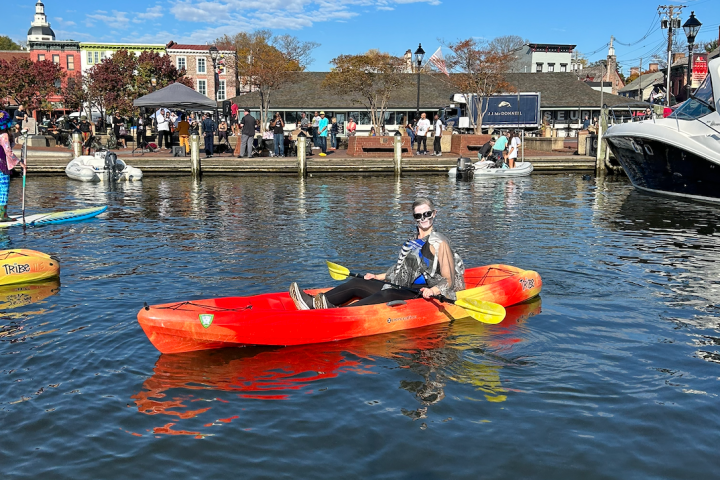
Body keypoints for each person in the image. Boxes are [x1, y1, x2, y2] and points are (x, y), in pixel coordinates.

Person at [289, 197, 465, 310]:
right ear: (414, 218)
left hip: (424, 292)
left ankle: (339, 314)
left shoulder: (439, 242)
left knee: (387, 294)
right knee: (358, 282)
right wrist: (378, 276)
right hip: (405, 286)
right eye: (418, 216)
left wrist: (432, 290)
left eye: (427, 214)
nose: (423, 219)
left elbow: (448, 281)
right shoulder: (413, 239)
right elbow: (402, 270)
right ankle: (318, 303)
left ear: (434, 214)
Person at [0, 111, 26, 222]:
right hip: (2, 165)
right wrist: (21, 163)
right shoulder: (4, 135)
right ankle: (3, 215)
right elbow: (8, 151)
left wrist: (21, 132)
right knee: (4, 190)